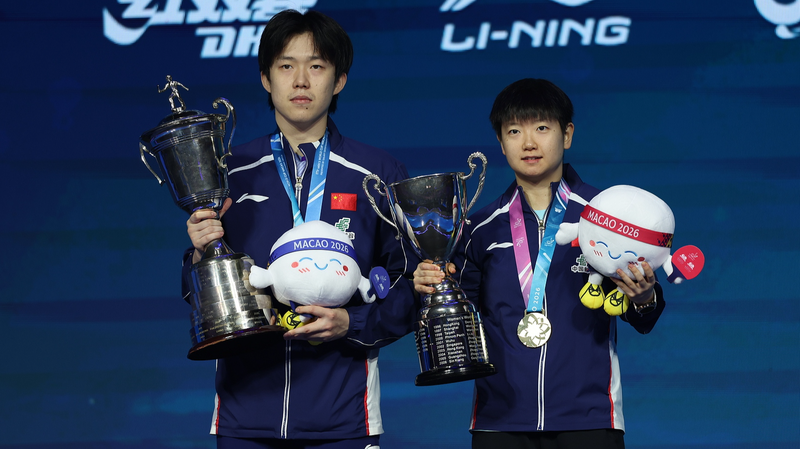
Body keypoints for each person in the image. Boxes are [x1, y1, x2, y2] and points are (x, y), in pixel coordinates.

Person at [183, 9, 415, 449]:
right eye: (286, 66)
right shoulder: (230, 172)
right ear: (267, 79)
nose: (301, 81)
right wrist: (199, 252)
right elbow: (195, 287)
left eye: (317, 66)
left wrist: (353, 322)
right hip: (243, 414)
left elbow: (409, 285)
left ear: (340, 79)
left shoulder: (377, 173)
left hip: (345, 416)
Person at [413, 78, 665, 449]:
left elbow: (642, 317)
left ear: (567, 135)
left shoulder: (606, 215)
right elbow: (458, 308)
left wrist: (644, 297)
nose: (528, 143)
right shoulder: (479, 227)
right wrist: (432, 282)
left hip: (590, 417)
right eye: (514, 130)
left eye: (542, 128)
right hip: (500, 421)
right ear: (500, 142)